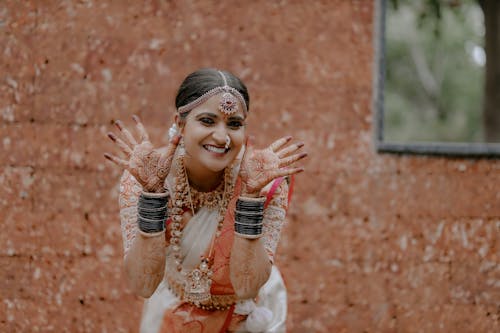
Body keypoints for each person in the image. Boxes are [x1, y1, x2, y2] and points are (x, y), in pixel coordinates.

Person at [104, 68, 307, 333]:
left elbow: (247, 285)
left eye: (234, 124)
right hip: (173, 313)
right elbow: (143, 285)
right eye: (208, 121)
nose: (222, 137)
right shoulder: (146, 175)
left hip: (245, 317)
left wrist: (249, 199)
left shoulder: (263, 182)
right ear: (180, 122)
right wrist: (153, 195)